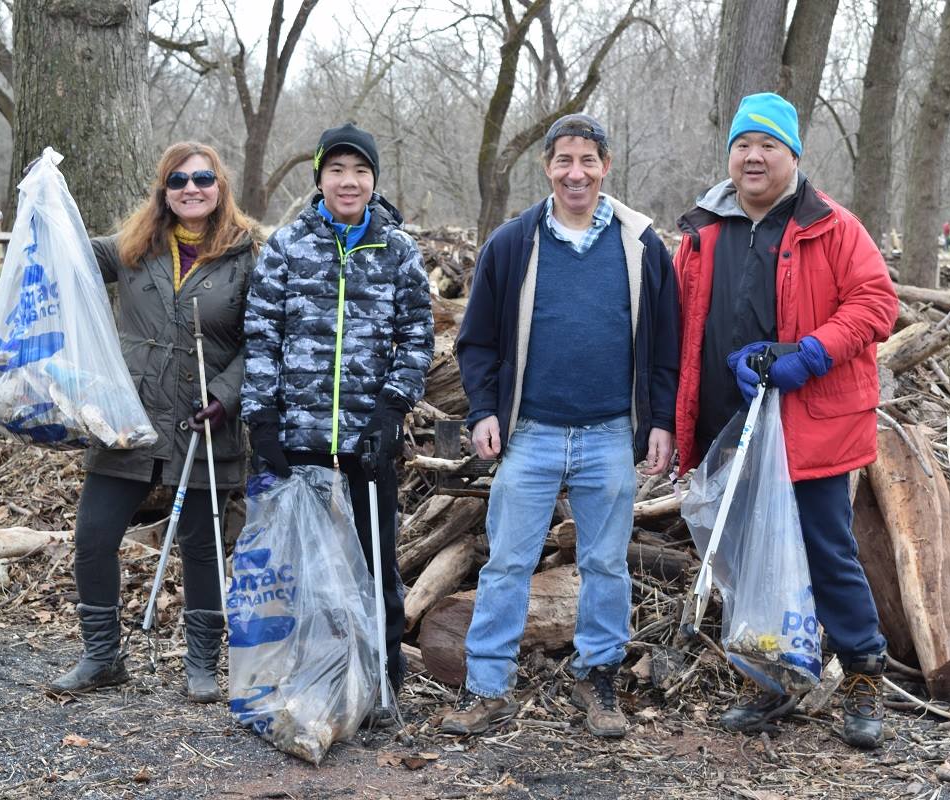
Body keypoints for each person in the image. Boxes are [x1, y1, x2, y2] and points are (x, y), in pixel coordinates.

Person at [672, 93, 899, 749]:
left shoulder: (831, 226)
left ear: (792, 155)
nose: (753, 156)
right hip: (730, 427)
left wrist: (812, 352)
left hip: (811, 425)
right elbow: (685, 329)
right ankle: (771, 681)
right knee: (748, 561)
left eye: (768, 144)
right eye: (743, 144)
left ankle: (863, 678)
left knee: (828, 554)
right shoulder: (704, 229)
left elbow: (877, 302)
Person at [446, 113, 679, 738]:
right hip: (530, 433)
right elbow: (477, 342)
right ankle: (488, 688)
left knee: (606, 564)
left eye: (588, 161)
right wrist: (484, 410)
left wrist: (659, 421)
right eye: (563, 162)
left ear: (606, 165)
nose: (576, 173)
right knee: (507, 564)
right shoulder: (513, 243)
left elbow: (665, 348)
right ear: (547, 167)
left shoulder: (641, 245)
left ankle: (597, 679)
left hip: (609, 434)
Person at [47, 142, 260, 702]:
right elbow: (62, 252)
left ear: (220, 186)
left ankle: (202, 666)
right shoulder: (131, 246)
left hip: (204, 421)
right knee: (93, 536)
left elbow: (265, 340)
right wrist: (42, 197)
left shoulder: (248, 253)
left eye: (202, 179)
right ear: (163, 191)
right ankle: (101, 657)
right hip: (129, 419)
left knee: (202, 545)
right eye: (178, 180)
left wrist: (225, 395)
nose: (191, 188)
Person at [240, 123, 434, 710]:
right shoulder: (286, 246)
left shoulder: (396, 249)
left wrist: (390, 409)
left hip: (367, 440)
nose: (348, 182)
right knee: (302, 567)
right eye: (337, 170)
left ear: (374, 180)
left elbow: (417, 335)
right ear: (319, 177)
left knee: (375, 564)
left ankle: (380, 683)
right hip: (297, 439)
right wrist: (262, 419)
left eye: (360, 171)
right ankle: (305, 683)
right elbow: (261, 334)